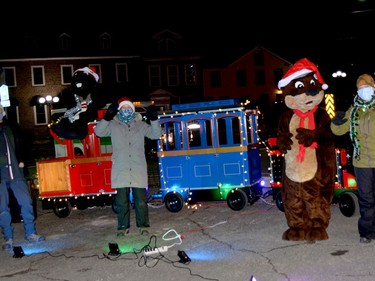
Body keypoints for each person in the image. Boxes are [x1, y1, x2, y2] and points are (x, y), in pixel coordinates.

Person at [94, 97, 162, 236]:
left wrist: (154, 119)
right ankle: (122, 227)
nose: (126, 110)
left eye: (129, 108)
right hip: (121, 169)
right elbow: (98, 132)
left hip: (138, 169)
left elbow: (156, 134)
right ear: (119, 110)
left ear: (133, 110)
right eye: (124, 108)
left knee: (141, 201)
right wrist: (107, 117)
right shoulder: (113, 125)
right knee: (122, 202)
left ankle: (143, 226)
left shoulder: (140, 125)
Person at [331, 73, 375, 244]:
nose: (364, 91)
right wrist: (336, 120)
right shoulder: (354, 109)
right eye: (361, 88)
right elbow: (338, 130)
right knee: (366, 198)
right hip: (362, 162)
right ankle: (366, 232)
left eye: (367, 88)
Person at [0, 105, 45, 251]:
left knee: (26, 202)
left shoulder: (11, 127)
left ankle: (30, 233)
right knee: (2, 208)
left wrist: (23, 160)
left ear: (3, 112)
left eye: (0, 110)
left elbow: (23, 143)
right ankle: (8, 237)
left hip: (16, 171)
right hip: (1, 174)